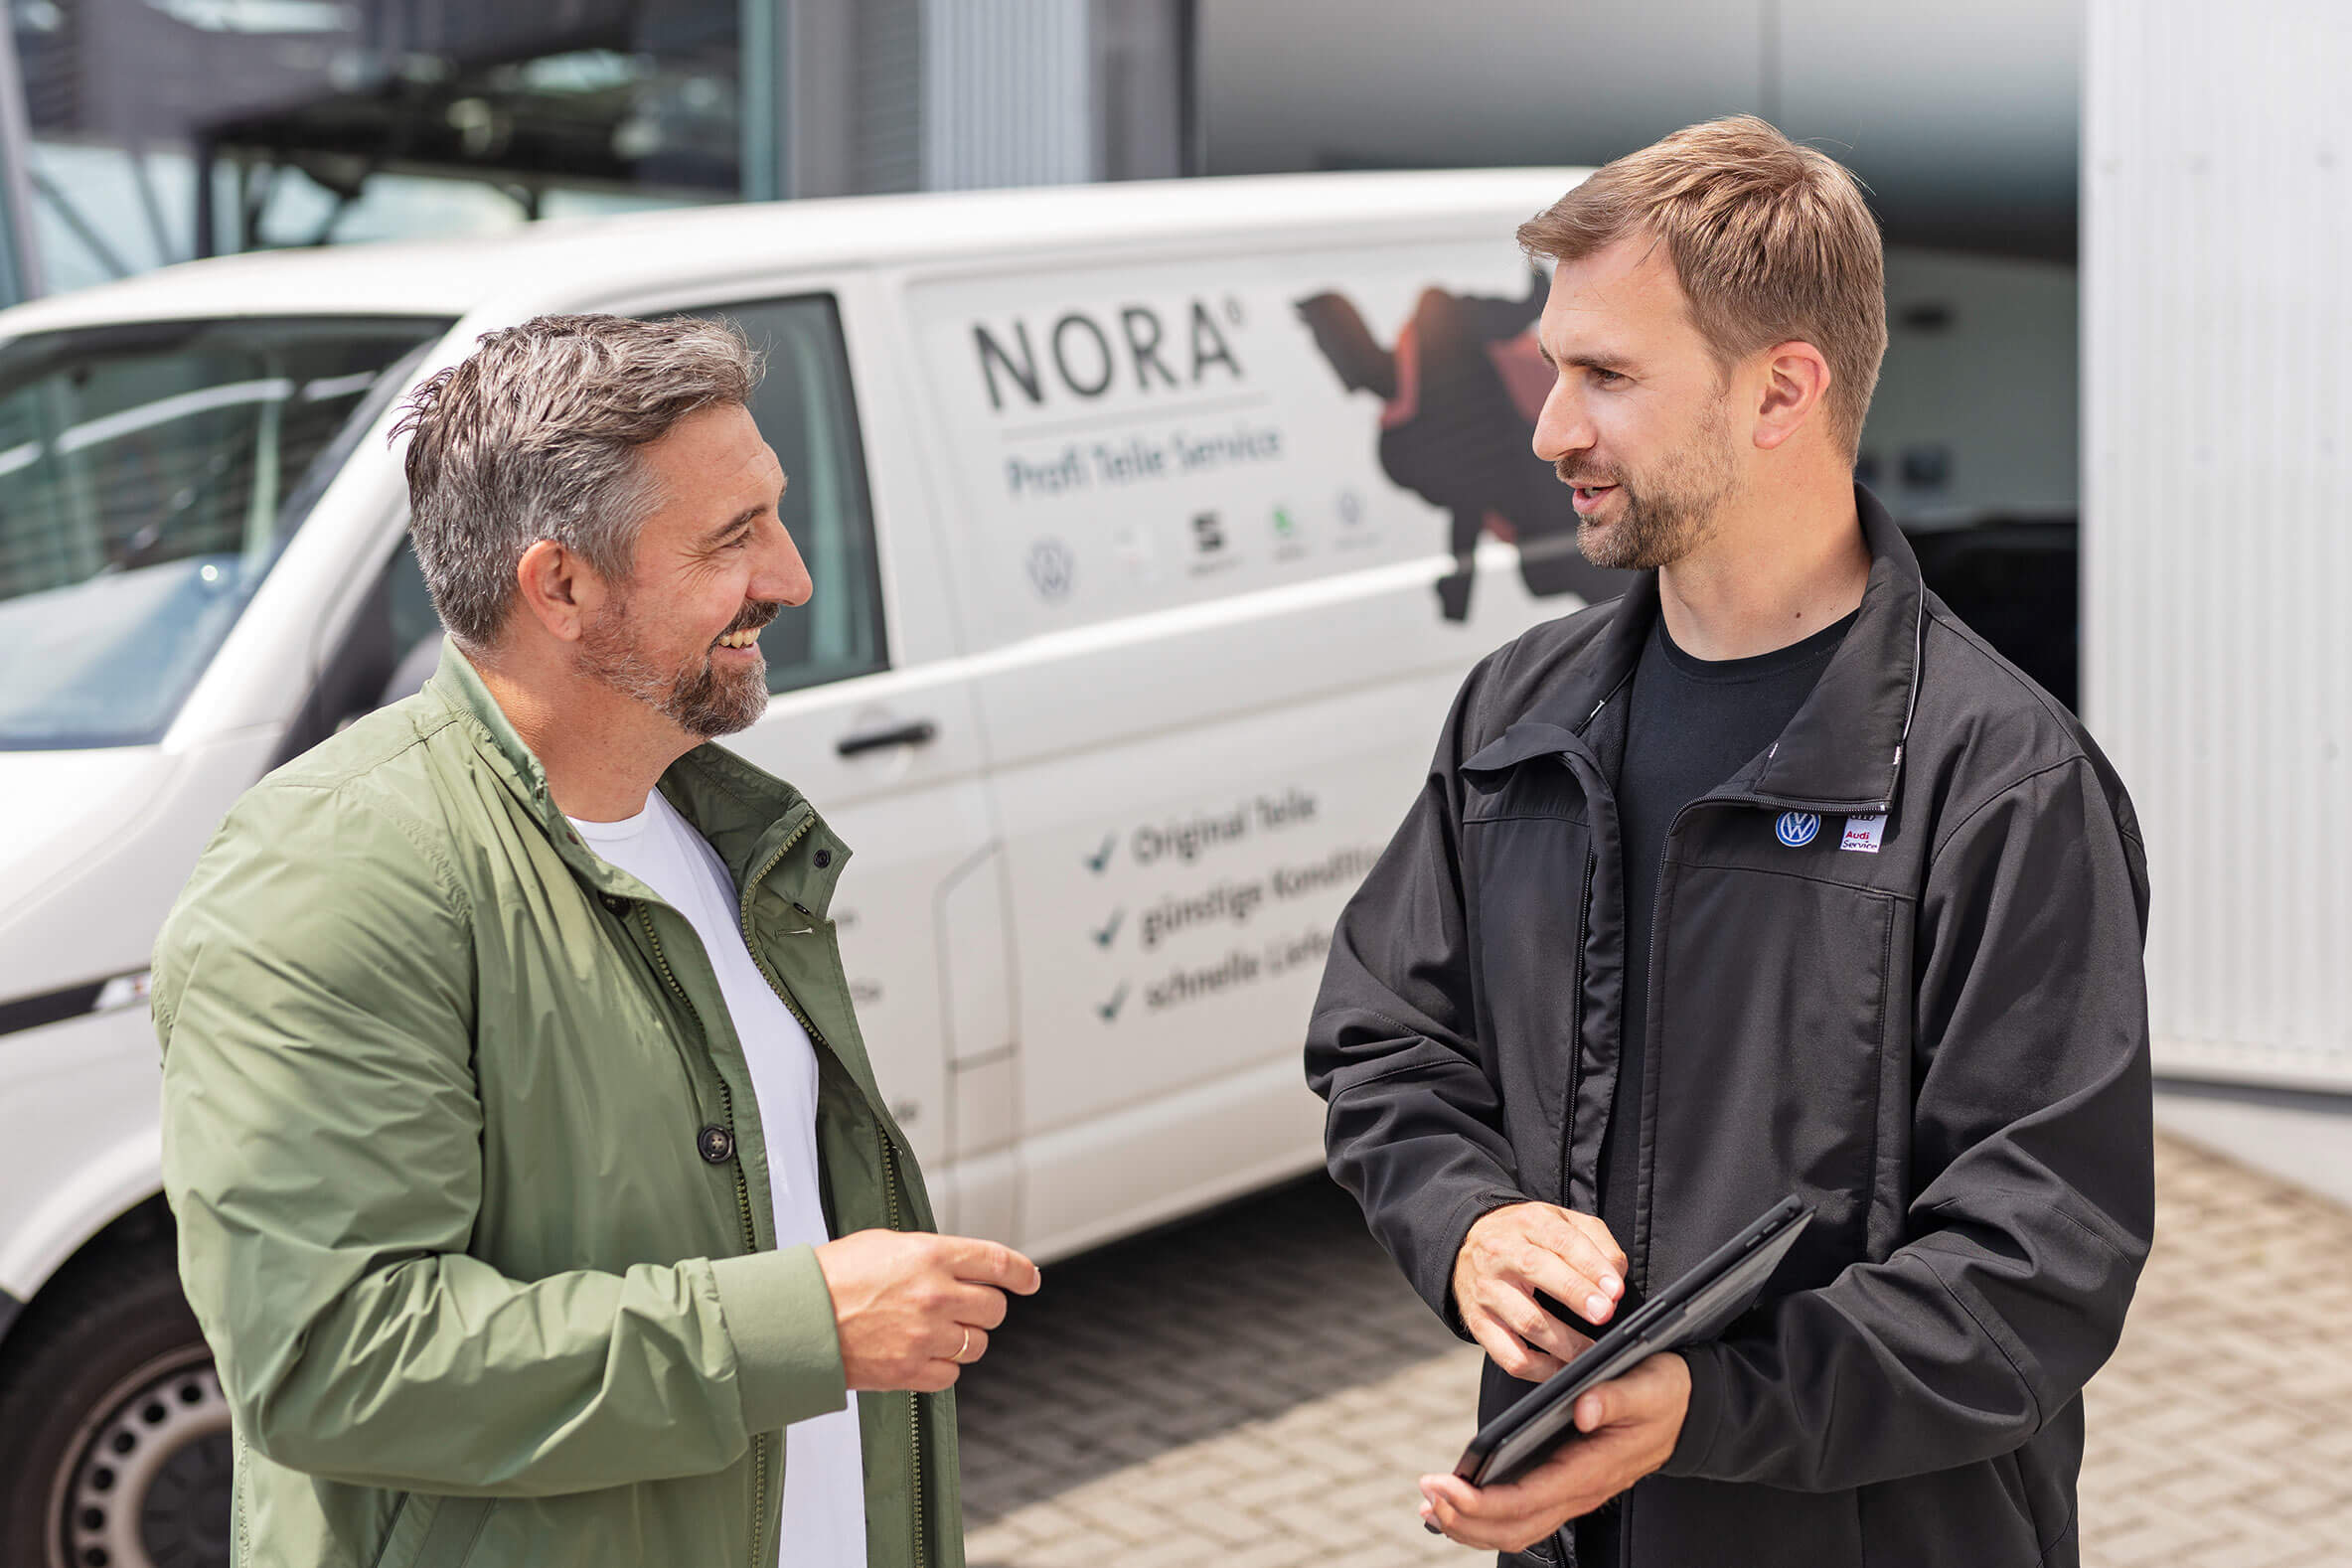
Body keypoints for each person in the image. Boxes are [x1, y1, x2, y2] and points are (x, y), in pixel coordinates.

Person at [1305, 117, 2151, 1568]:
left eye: (1605, 377)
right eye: (1552, 367)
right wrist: (1466, 1224)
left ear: (1780, 393)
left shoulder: (1995, 782)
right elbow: (1385, 1039)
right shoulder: (1518, 712)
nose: (1547, 429)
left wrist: (1707, 1402)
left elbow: (2034, 1265)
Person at [154, 313, 1039, 1568]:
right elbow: (330, 1361)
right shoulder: (332, 880)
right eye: (734, 537)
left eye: (774, 517)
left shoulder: (723, 831)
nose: (791, 578)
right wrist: (804, 1325)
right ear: (560, 586)